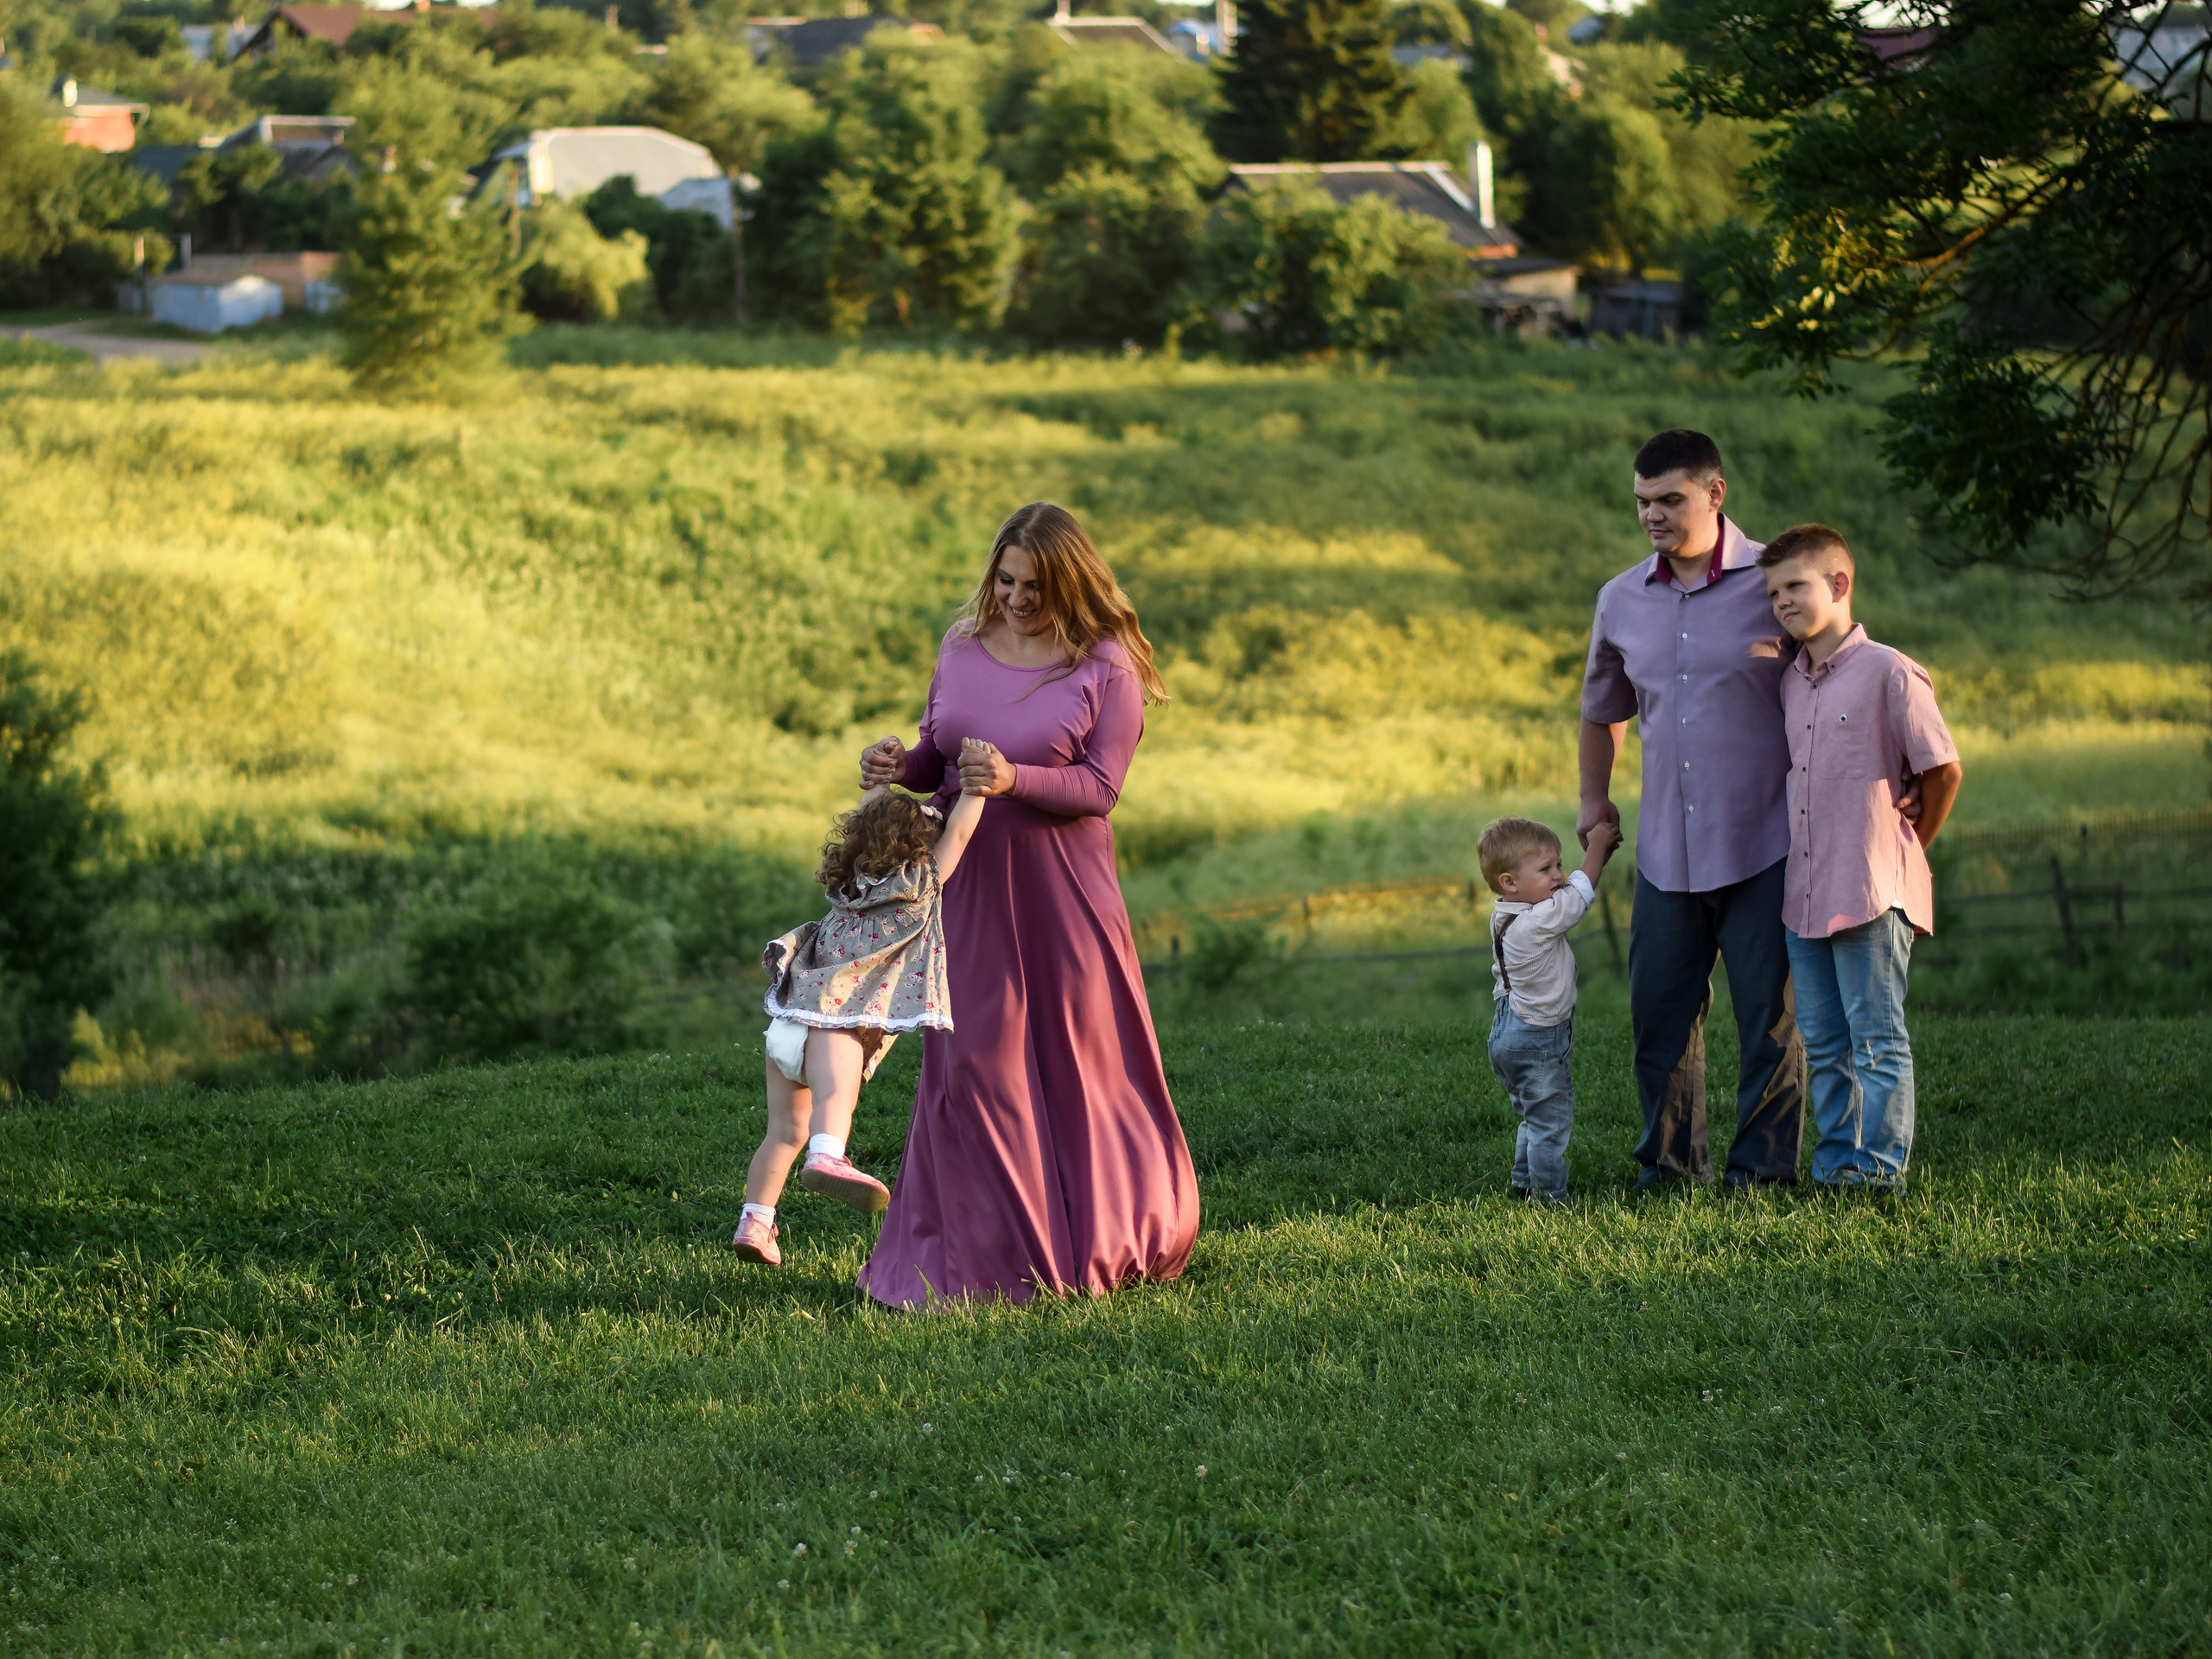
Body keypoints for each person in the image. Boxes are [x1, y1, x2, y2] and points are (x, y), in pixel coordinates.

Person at [853, 502, 1198, 1308]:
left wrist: (1013, 778)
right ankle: (976, 1252)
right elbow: (937, 755)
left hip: (1063, 897)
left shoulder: (1105, 667)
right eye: (1005, 580)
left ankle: (1098, 1238)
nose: (1014, 598)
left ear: (1070, 584)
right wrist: (894, 763)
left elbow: (1100, 789)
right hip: (968, 886)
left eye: (1034, 587)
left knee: (1079, 1063)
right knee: (973, 1063)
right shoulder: (961, 646)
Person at [1579, 429, 1807, 1192]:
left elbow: (1842, 669)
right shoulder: (1618, 599)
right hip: (1666, 853)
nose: (1653, 515)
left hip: (1767, 842)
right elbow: (1601, 711)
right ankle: (1671, 1170)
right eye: (1642, 501)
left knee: (1771, 1024)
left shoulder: (1779, 580)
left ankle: (1762, 1173)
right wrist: (1593, 797)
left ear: (1715, 493)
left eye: (1670, 499)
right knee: (1660, 1020)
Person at [1762, 524, 1961, 1189]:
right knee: (1822, 1044)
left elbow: (1943, 769)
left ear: (1840, 584)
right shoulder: (1790, 683)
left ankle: (1879, 1173)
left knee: (1877, 1041)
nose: (1782, 602)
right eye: (1773, 592)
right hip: (1806, 895)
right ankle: (1835, 1166)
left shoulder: (1890, 672)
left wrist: (1907, 847)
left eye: (1796, 586)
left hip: (1873, 892)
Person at [732, 774, 989, 1265]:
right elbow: (959, 834)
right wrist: (976, 787)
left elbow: (871, 817)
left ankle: (757, 1219)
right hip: (838, 1022)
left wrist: (879, 781)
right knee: (837, 1098)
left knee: (783, 1131)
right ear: (918, 847)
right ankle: (829, 1155)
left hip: (788, 1022)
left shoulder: (847, 885)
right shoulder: (917, 886)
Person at [1481, 814, 1623, 1204]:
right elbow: (1578, 897)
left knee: (1533, 1114)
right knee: (1550, 1124)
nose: (1559, 875)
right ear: (1509, 882)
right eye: (1546, 869)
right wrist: (1596, 848)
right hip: (1538, 1036)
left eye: (1559, 864)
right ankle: (1550, 1200)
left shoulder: (1505, 914)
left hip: (1508, 1029)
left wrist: (1597, 858)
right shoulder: (1539, 921)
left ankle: (1523, 1184)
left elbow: (1576, 888)